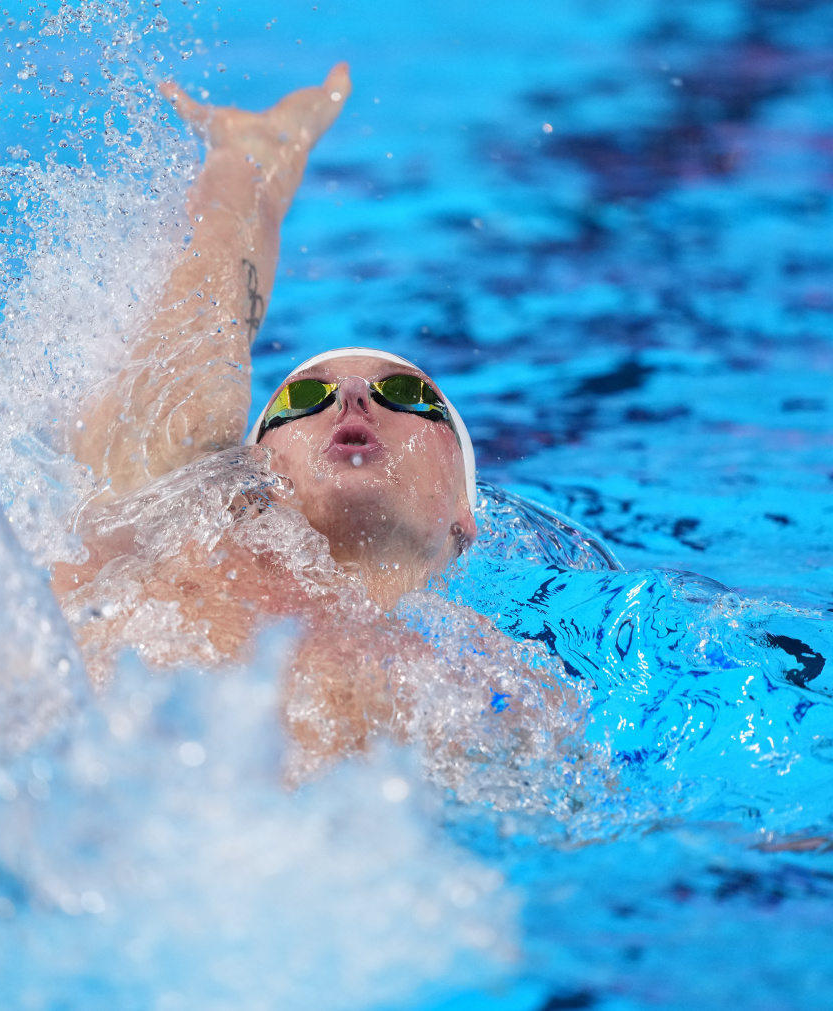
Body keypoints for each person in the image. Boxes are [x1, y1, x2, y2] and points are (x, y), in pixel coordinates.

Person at [50, 65, 586, 781]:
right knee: (171, 456)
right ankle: (247, 159)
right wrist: (242, 176)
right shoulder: (165, 540)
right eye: (302, 400)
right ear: (256, 474)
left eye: (402, 391)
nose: (353, 399)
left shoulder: (481, 678)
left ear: (466, 514)